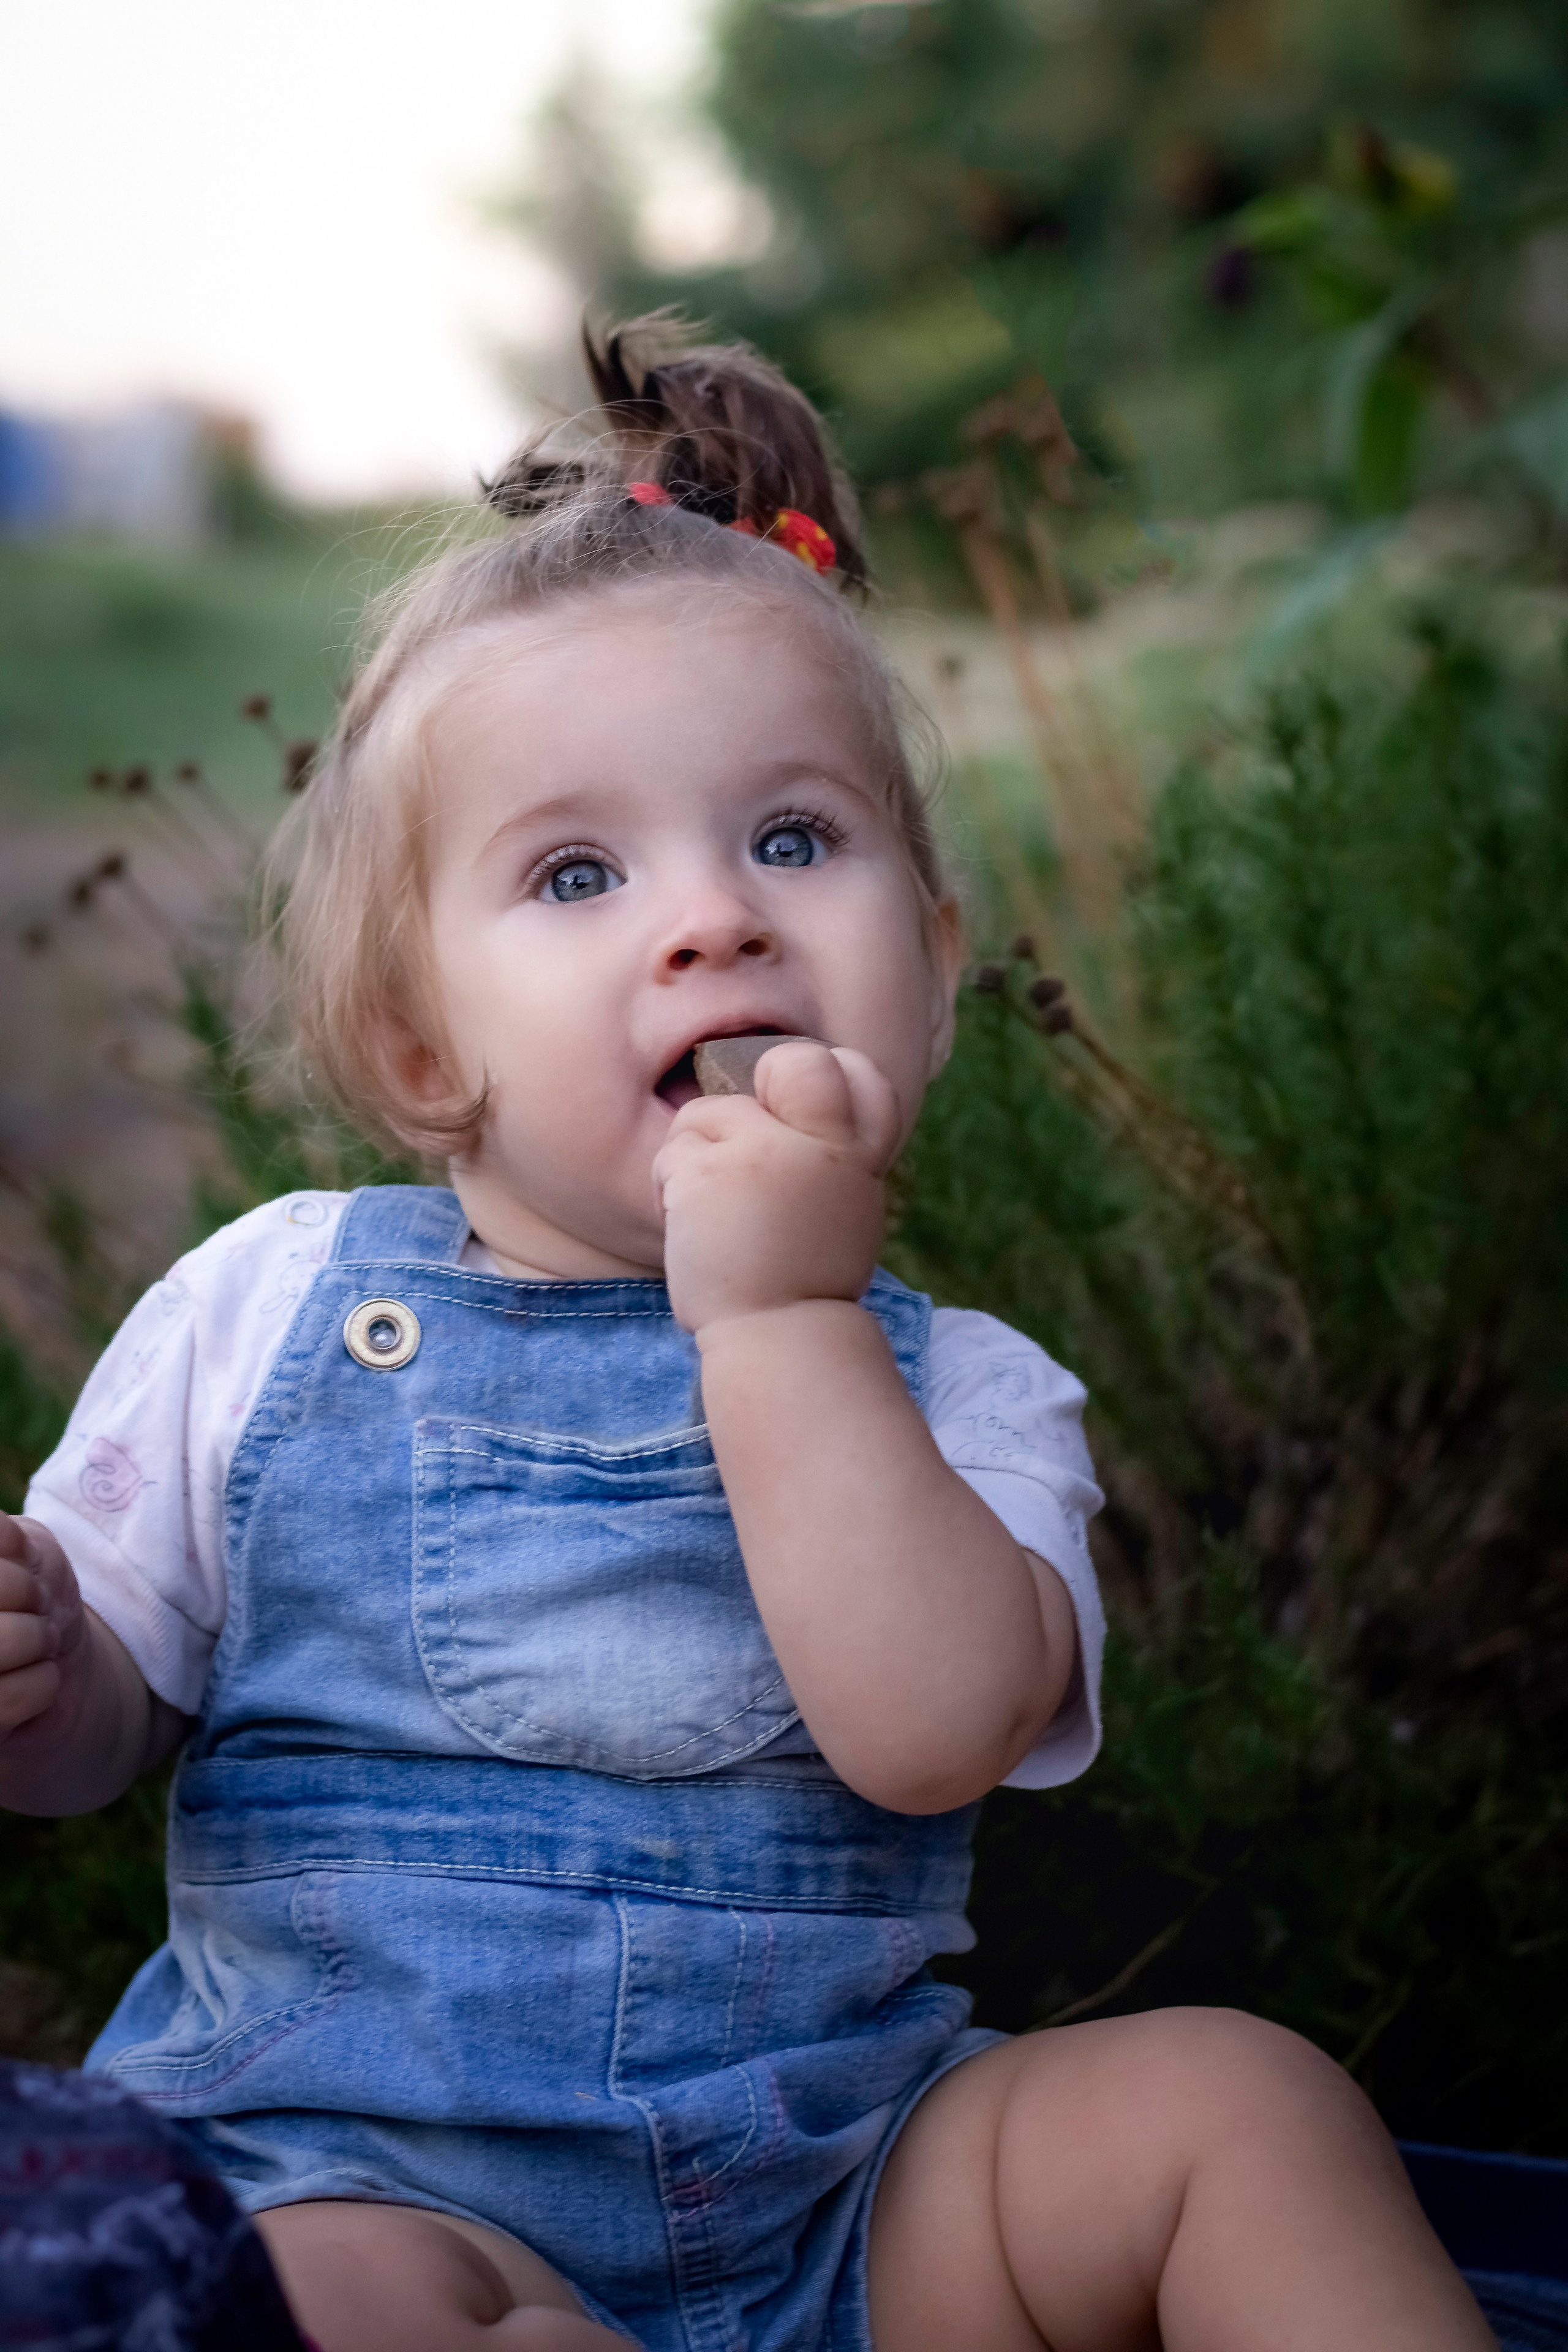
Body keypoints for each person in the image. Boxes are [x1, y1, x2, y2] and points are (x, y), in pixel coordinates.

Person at [0, 321, 1492, 2352]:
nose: (713, 918)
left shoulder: (961, 1384)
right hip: (361, 2178)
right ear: (421, 1041)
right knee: (314, 2295)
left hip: (858, 2209)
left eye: (795, 840)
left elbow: (932, 1724)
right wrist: (47, 1665)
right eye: (579, 872)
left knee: (1239, 2104)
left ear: (931, 973)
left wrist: (784, 1319)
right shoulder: (263, 1309)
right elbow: (103, 1733)